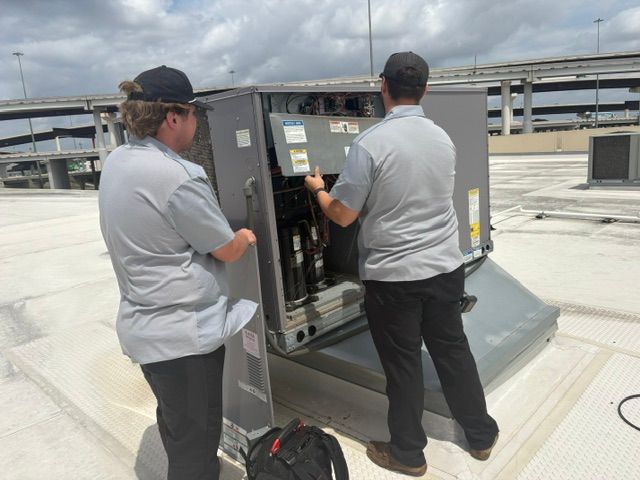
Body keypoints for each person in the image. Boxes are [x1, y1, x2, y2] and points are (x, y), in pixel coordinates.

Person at [304, 52, 499, 476]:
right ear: (424, 89)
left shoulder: (370, 144)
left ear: (383, 86)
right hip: (446, 268)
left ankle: (409, 454)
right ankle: (481, 436)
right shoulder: (442, 137)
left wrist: (319, 190)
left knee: (403, 365)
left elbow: (342, 215)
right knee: (453, 352)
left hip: (395, 279)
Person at [99, 65, 257, 480]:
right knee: (195, 449)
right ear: (173, 117)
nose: (195, 123)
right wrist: (244, 236)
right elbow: (224, 248)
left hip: (146, 330)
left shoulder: (117, 162)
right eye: (192, 114)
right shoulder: (179, 176)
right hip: (183, 340)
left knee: (177, 424)